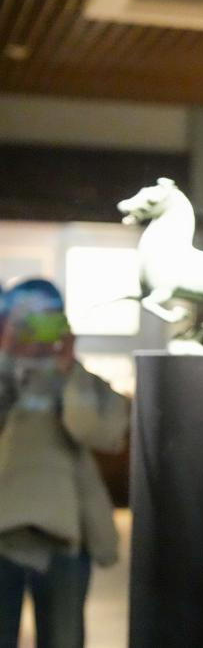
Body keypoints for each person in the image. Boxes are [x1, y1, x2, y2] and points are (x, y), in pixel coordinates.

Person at [0, 278, 129, 648]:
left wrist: (67, 368)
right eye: (26, 319)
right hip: (4, 531)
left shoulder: (82, 380)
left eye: (47, 318)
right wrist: (7, 353)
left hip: (66, 536)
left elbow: (95, 431)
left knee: (63, 638)